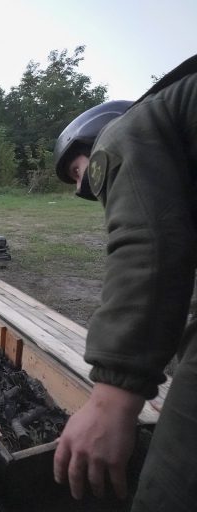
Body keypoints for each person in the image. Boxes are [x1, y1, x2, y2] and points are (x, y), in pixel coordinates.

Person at [52, 55, 197, 511]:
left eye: (81, 174)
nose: (89, 188)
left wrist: (113, 397)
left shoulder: (125, 131)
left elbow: (148, 245)